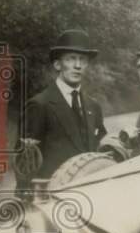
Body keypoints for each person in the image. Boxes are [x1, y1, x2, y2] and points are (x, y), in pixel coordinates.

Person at [21, 29, 107, 179]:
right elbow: (25, 162)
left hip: (90, 190)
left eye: (83, 60)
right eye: (71, 59)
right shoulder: (40, 105)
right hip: (54, 194)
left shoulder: (93, 106)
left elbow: (100, 148)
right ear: (57, 65)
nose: (78, 65)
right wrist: (29, 199)